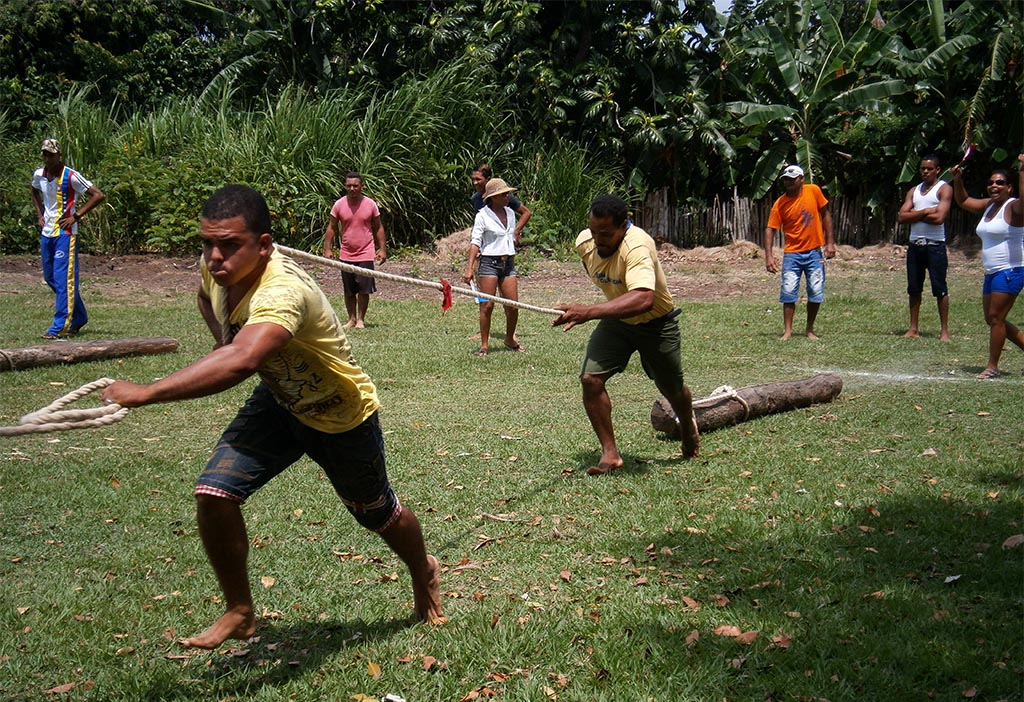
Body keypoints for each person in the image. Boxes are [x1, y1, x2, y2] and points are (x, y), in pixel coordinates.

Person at [102, 185, 443, 649]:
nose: (215, 257)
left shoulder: (283, 291)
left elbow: (242, 360)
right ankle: (240, 611)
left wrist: (148, 391)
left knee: (377, 514)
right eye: (207, 243)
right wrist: (222, 339)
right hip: (279, 401)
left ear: (263, 245)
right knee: (214, 494)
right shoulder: (216, 269)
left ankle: (423, 569)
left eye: (229, 245)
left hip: (339, 414)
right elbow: (206, 300)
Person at [552, 194, 699, 476]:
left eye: (606, 233)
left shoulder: (638, 246)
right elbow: (600, 274)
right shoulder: (585, 243)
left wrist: (590, 311)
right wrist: (599, 310)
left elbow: (644, 298)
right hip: (617, 322)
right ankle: (610, 454)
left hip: (656, 324)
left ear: (623, 225)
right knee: (590, 379)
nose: (598, 239)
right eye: (594, 231)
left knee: (672, 388)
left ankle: (688, 426)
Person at [951, 154, 1024, 379]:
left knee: (996, 317)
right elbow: (964, 201)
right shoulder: (990, 205)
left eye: (1000, 183)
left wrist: (1023, 170)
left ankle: (992, 366)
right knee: (991, 318)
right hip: (992, 271)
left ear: (1010, 188)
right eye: (991, 182)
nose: (994, 186)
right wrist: (957, 180)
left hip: (1011, 269)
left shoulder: (1014, 207)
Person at [30, 138, 105, 339]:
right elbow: (34, 189)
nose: (48, 159)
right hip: (47, 232)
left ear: (59, 155)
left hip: (66, 234)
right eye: (45, 155)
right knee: (50, 277)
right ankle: (79, 316)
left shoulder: (71, 176)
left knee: (63, 279)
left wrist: (76, 216)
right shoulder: (39, 174)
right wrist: (39, 214)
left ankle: (59, 327)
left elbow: (98, 195)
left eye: (51, 155)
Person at [763, 164, 836, 340]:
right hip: (792, 254)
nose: (788, 182)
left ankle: (809, 329)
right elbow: (770, 228)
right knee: (788, 291)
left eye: (792, 179)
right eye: (786, 180)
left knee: (816, 291)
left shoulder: (814, 191)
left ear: (802, 179)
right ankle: (787, 331)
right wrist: (769, 256)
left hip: (814, 252)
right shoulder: (780, 203)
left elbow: (825, 215)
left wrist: (830, 243)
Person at [462, 178, 526, 356]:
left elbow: (510, 235)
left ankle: (509, 339)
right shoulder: (482, 216)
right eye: (504, 194)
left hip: (508, 263)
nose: (508, 197)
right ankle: (484, 344)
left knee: (512, 306)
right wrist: (469, 268)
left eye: (508, 193)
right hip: (489, 263)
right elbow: (475, 242)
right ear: (493, 197)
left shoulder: (510, 213)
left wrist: (515, 238)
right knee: (487, 306)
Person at [897, 154, 953, 341]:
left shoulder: (944, 189)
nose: (926, 172)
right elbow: (901, 217)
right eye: (923, 168)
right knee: (914, 288)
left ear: (938, 170)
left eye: (930, 169)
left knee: (940, 288)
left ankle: (944, 331)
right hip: (915, 245)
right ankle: (913, 328)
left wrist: (914, 214)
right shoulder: (914, 190)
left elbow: (939, 218)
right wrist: (927, 211)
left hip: (935, 245)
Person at [323, 172, 387, 329]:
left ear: (361, 186)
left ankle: (360, 320)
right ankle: (351, 319)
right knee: (349, 290)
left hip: (366, 252)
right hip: (346, 253)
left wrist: (382, 249)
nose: (352, 189)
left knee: (364, 289)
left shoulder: (370, 204)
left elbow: (378, 227)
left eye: (355, 186)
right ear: (345, 186)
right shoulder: (339, 205)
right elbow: (332, 227)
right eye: (349, 186)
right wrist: (327, 249)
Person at [470, 163, 532, 239]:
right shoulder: (476, 198)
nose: (475, 183)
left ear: (488, 179)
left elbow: (526, 212)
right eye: (473, 179)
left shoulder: (503, 196)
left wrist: (516, 231)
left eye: (478, 179)